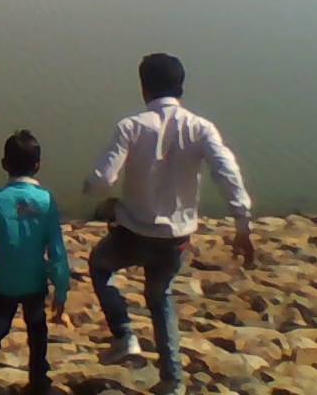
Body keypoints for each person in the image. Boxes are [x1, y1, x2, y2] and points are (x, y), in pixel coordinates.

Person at [84, 53, 255, 395]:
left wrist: (91, 191)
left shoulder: (131, 126)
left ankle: (124, 335)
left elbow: (103, 180)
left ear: (143, 87)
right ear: (181, 87)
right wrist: (242, 224)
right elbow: (227, 173)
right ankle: (172, 381)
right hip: (175, 237)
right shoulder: (201, 127)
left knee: (100, 265)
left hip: (133, 231)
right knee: (160, 297)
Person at [0, 130, 70, 394]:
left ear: (4, 164)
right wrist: (62, 287)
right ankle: (38, 378)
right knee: (37, 331)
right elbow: (56, 249)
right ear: (38, 165)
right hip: (35, 280)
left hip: (3, 280)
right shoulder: (46, 201)